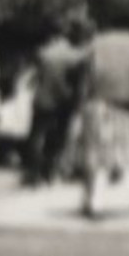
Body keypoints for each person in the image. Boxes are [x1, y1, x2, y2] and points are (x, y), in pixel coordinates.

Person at [75, 13, 129, 219]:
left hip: (96, 102)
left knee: (92, 151)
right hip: (124, 105)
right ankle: (114, 170)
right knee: (120, 148)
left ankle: (90, 199)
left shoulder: (95, 42)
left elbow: (80, 65)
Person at [24, 17, 91, 188]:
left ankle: (32, 172)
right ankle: (47, 171)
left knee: (36, 135)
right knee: (57, 138)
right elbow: (80, 85)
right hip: (64, 101)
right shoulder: (78, 57)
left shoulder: (45, 51)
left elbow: (35, 76)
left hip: (42, 98)